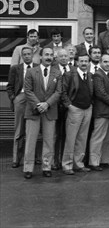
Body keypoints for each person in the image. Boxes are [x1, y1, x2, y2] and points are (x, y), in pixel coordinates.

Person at [22, 47, 61, 179]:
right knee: (31, 141)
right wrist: (39, 104)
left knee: (49, 141)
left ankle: (46, 167)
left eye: (51, 55)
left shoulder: (57, 73)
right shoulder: (31, 71)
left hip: (50, 111)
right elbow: (27, 90)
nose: (49, 57)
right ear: (40, 57)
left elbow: (59, 92)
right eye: (46, 55)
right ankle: (28, 168)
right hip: (33, 110)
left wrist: (47, 104)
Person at [60, 53, 94, 175]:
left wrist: (90, 105)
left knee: (82, 138)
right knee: (71, 138)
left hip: (87, 109)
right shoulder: (69, 75)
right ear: (76, 63)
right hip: (75, 110)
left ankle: (79, 164)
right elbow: (62, 92)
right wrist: (69, 106)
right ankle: (67, 165)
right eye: (81, 61)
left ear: (89, 63)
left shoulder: (90, 75)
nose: (84, 63)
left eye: (86, 61)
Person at [7, 46, 38, 168]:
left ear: (32, 55)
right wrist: (14, 98)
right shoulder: (16, 69)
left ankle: (32, 157)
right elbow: (10, 86)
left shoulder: (37, 67)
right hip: (20, 97)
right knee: (19, 130)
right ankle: (16, 158)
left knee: (33, 130)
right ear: (21, 56)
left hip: (33, 99)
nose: (26, 56)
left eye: (28, 54)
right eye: (24, 54)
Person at [89, 53, 109, 170]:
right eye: (105, 62)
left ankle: (105, 160)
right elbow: (100, 93)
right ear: (100, 63)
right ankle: (94, 162)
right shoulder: (98, 75)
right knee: (98, 137)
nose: (108, 64)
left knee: (108, 137)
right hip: (102, 111)